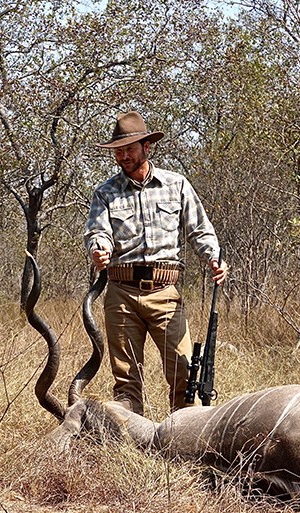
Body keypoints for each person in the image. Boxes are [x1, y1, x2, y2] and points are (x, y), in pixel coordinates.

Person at [84, 110, 228, 416]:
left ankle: (186, 448)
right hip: (121, 294)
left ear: (147, 147)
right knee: (126, 386)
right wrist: (100, 249)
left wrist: (213, 258)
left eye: (129, 149)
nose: (122, 156)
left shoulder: (175, 185)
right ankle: (130, 455)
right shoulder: (105, 192)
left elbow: (199, 229)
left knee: (186, 377)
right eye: (118, 151)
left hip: (165, 293)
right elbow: (98, 232)